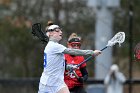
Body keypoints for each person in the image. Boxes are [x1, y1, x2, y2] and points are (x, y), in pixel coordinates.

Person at [38, 21, 102, 93]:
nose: (60, 32)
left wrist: (69, 67)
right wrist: (92, 53)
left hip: (58, 83)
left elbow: (60, 64)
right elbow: (73, 51)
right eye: (57, 31)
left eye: (60, 30)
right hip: (48, 83)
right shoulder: (54, 46)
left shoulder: (55, 46)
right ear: (50, 34)